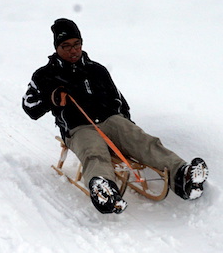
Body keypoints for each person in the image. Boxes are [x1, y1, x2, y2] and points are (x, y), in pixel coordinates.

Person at [23, 18, 208, 214]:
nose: (73, 50)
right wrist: (51, 97)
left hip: (110, 120)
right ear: (57, 48)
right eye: (66, 46)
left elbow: (118, 100)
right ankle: (104, 189)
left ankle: (183, 176)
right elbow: (29, 107)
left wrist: (126, 129)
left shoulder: (96, 70)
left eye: (77, 44)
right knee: (94, 152)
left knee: (142, 140)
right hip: (78, 128)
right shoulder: (44, 75)